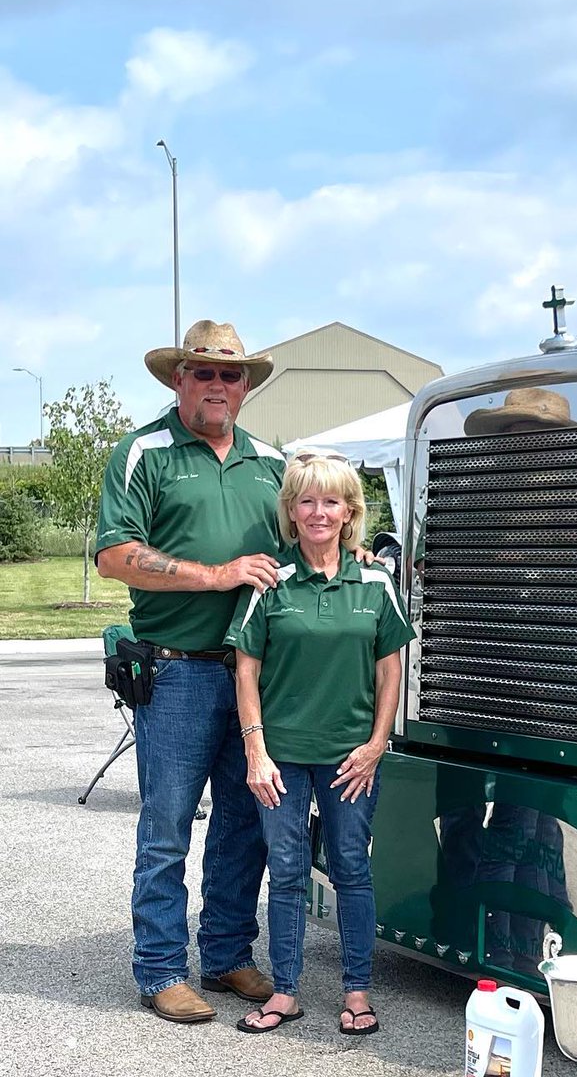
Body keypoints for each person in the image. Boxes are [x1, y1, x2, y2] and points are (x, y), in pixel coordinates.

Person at [95, 320, 284, 1023]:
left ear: (244, 387)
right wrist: (216, 575)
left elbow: (307, 543)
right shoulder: (143, 450)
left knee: (245, 823)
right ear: (178, 379)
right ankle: (161, 969)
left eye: (229, 375)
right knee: (169, 824)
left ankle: (230, 953)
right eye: (201, 373)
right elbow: (114, 555)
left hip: (254, 676)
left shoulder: (272, 461)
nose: (216, 385)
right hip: (175, 675)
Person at [225, 452, 413, 1036]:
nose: (318, 512)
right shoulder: (270, 581)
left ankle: (357, 992)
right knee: (285, 871)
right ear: (291, 510)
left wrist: (378, 744)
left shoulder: (375, 580)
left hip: (350, 758)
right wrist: (255, 751)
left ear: (350, 511)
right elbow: (245, 669)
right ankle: (285, 992)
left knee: (352, 868)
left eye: (331, 501)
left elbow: (390, 668)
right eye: (306, 500)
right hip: (279, 758)